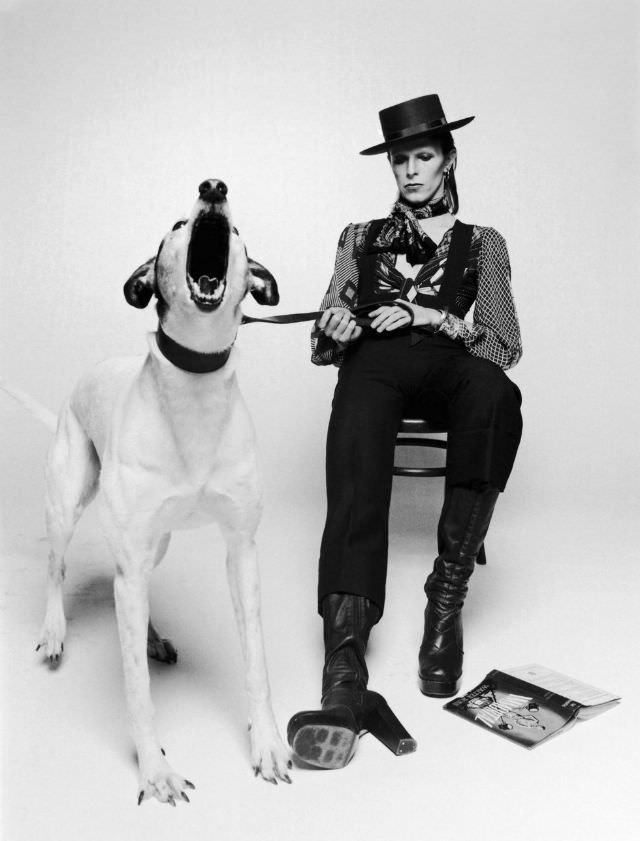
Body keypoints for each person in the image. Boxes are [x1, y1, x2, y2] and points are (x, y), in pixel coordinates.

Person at [287, 94, 523, 770]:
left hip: (450, 362)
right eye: (400, 160)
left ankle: (444, 600)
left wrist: (431, 315)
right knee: (357, 426)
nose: (411, 170)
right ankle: (344, 664)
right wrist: (336, 329)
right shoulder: (358, 237)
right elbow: (326, 336)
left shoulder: (483, 242)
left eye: (423, 156)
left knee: (496, 393)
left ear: (448, 160)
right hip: (376, 365)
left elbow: (504, 345)